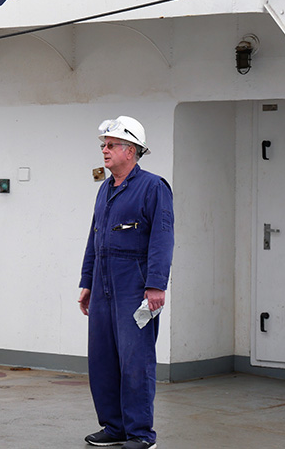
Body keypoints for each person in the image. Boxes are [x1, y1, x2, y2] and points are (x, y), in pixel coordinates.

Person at [78, 116, 174, 449]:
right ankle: (114, 426)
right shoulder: (105, 188)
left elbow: (162, 239)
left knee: (136, 360)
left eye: (111, 145)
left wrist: (156, 285)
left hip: (135, 287)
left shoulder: (153, 187)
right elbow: (95, 238)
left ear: (130, 151)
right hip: (103, 285)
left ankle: (141, 433)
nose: (104, 150)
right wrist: (86, 281)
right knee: (102, 358)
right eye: (103, 145)